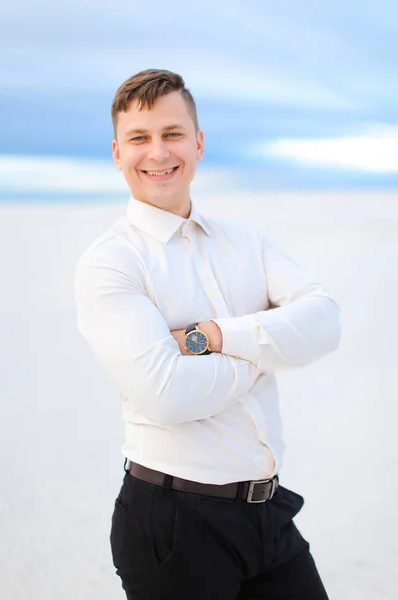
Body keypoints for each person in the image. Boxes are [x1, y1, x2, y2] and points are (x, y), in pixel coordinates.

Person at [74, 69, 341, 600]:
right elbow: (167, 396)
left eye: (172, 133)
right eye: (139, 138)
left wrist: (213, 336)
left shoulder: (246, 241)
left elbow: (326, 322)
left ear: (197, 142)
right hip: (173, 525)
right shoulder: (111, 264)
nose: (158, 152)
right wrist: (270, 348)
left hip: (269, 513)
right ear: (116, 152)